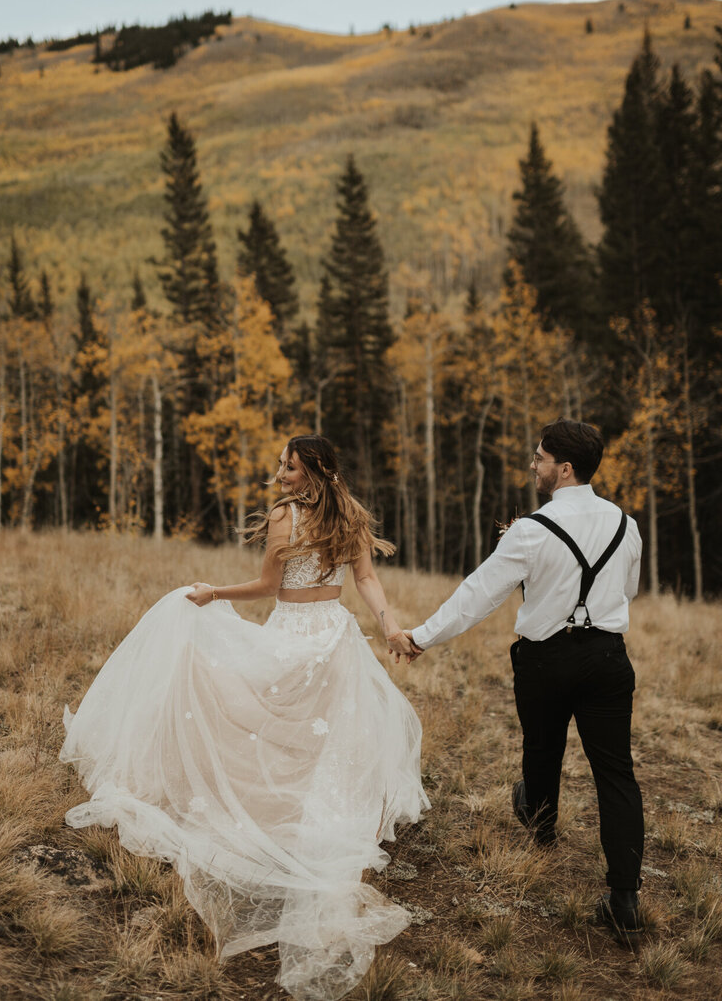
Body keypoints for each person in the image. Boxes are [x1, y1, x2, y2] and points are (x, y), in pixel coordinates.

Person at [60, 434, 429, 1001]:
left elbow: (265, 588)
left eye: (290, 465)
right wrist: (384, 625)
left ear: (315, 473)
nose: (280, 472)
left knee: (263, 717)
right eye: (282, 463)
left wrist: (211, 594)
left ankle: (260, 809)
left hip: (296, 636)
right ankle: (297, 808)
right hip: (334, 637)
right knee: (318, 735)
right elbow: (366, 580)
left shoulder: (287, 516)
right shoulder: (350, 513)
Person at [399, 418, 645, 942]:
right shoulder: (627, 524)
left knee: (542, 746)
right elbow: (629, 590)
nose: (533, 465)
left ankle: (541, 826)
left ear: (565, 468)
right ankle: (625, 899)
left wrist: (421, 636)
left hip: (545, 658)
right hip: (607, 657)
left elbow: (477, 595)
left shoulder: (534, 529)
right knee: (616, 775)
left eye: (539, 458)